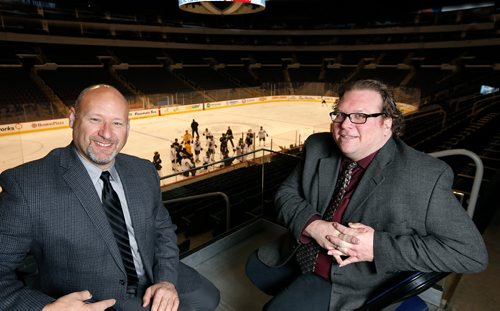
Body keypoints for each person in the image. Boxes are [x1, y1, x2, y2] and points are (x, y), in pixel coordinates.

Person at [245, 79, 488, 310]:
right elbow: (285, 194)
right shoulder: (317, 146)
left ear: (387, 123)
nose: (345, 124)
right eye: (340, 114)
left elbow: (470, 254)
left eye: (360, 116)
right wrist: (314, 227)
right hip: (298, 253)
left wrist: (377, 247)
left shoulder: (424, 177)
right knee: (257, 270)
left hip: (353, 285)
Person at [0, 84, 220, 311]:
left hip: (155, 275)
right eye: (95, 119)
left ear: (127, 127)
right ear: (73, 118)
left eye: (117, 123)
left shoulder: (144, 171)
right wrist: (45, 309)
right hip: (99, 300)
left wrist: (165, 279)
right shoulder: (26, 186)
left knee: (210, 298)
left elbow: (162, 231)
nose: (106, 133)